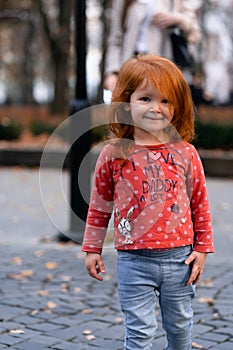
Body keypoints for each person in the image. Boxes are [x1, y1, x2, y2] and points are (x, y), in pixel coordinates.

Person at [82, 54, 214, 350]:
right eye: (145, 98)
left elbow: (200, 203)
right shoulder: (114, 154)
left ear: (177, 106)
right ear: (126, 102)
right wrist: (92, 248)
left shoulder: (185, 153)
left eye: (166, 101)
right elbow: (100, 205)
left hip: (180, 259)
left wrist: (203, 248)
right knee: (140, 333)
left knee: (180, 328)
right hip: (134, 261)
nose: (156, 108)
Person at [104, 0, 202, 92]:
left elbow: (195, 35)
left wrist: (178, 19)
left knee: (158, 108)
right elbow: (116, 39)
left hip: (163, 69)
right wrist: (113, 72)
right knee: (130, 108)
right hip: (130, 67)